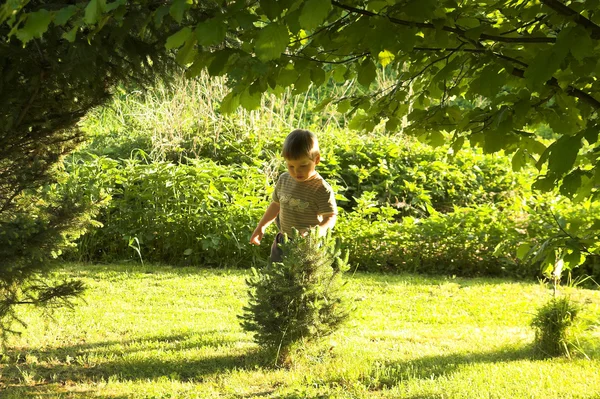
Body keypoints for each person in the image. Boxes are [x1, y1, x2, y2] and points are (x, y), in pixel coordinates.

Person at [249, 129, 338, 262]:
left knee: (304, 279)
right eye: (291, 166)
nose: (297, 171)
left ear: (316, 159)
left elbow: (330, 216)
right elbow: (276, 205)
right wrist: (261, 226)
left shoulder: (321, 189)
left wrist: (316, 232)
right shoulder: (284, 179)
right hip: (283, 240)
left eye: (303, 165)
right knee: (276, 274)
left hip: (308, 245)